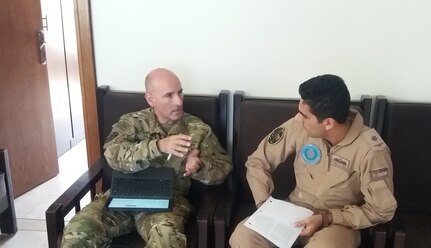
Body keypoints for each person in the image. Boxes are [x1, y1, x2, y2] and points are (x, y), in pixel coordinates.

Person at [61, 68, 233, 248]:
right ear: (151, 99)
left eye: (180, 92)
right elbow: (112, 155)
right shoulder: (132, 122)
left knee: (167, 238)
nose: (179, 101)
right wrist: (158, 146)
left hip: (168, 201)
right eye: (169, 95)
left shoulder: (196, 129)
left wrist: (199, 167)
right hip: (123, 195)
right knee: (77, 232)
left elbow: (223, 169)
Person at [229, 74, 397, 248]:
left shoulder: (371, 151)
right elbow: (257, 162)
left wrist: (327, 218)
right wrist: (264, 204)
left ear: (328, 123)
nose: (298, 118)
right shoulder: (299, 125)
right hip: (292, 212)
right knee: (243, 237)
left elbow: (381, 209)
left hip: (336, 223)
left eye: (305, 116)